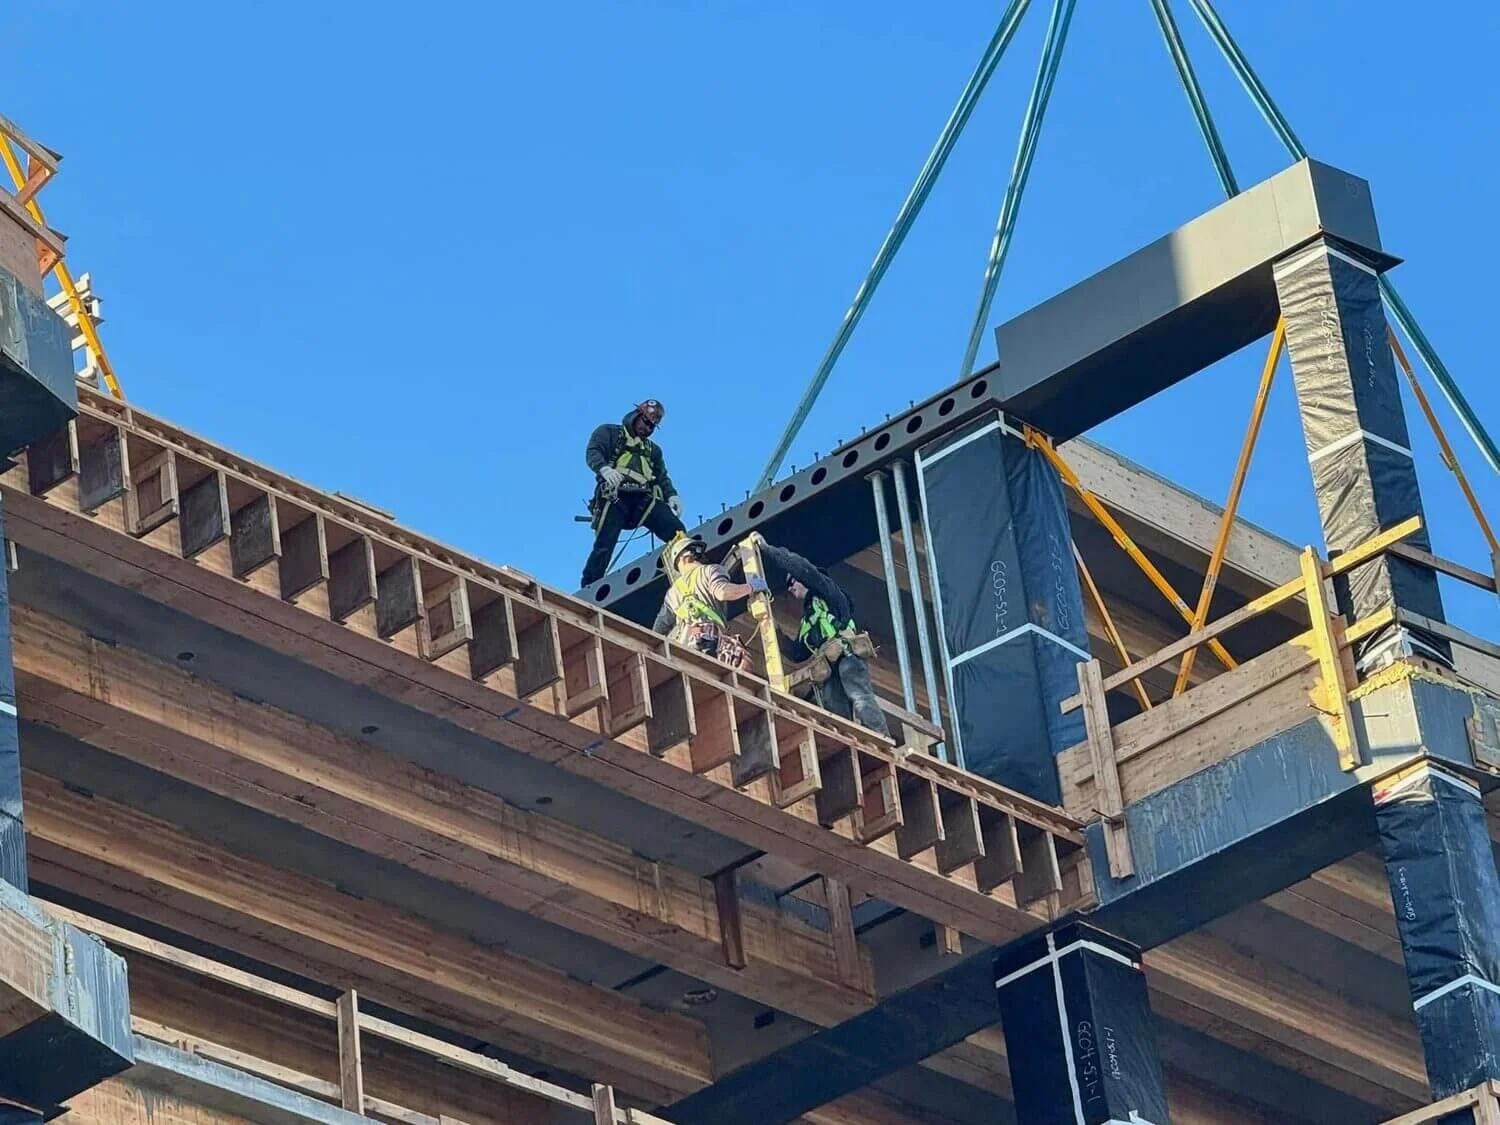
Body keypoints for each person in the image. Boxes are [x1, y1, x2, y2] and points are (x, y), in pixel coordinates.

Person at [759, 542, 888, 736]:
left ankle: (880, 738)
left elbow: (802, 568)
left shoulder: (829, 594)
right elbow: (797, 653)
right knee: (835, 714)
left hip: (846, 657)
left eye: (793, 581)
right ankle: (848, 745)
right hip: (827, 669)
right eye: (788, 586)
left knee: (859, 697)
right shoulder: (808, 621)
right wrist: (773, 630)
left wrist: (769, 550)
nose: (791, 588)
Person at [581, 399, 686, 587]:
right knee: (605, 543)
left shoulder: (652, 451)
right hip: (614, 496)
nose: (647, 428)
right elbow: (593, 451)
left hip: (642, 499)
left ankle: (685, 567)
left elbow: (661, 477)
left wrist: (671, 495)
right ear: (636, 416)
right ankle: (590, 586)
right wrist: (604, 469)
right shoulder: (609, 433)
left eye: (652, 426)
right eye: (645, 422)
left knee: (676, 531)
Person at [652, 534, 767, 671]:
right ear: (688, 556)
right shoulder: (709, 570)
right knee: (743, 665)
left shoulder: (672, 594)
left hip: (684, 651)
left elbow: (658, 630)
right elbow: (723, 592)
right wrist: (752, 587)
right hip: (710, 646)